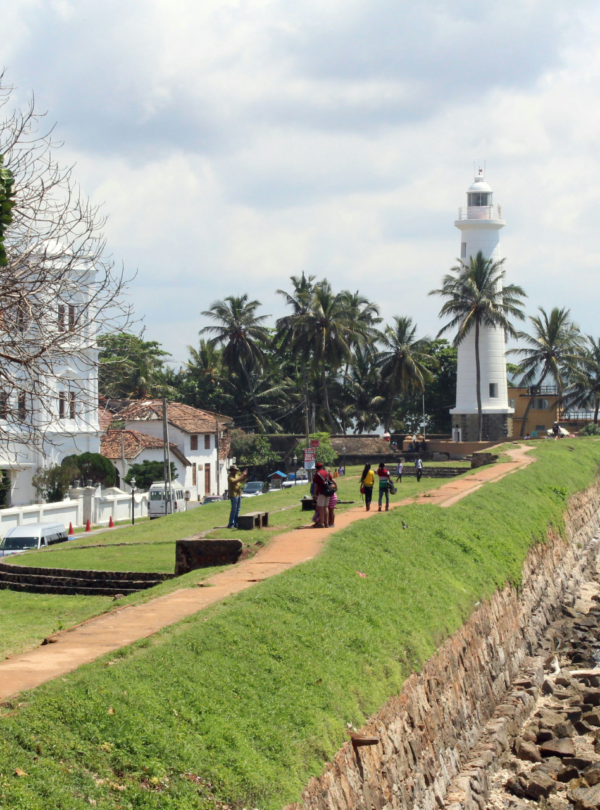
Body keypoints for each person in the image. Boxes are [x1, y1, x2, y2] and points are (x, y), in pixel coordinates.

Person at [313, 462, 334, 528]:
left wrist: (315, 494)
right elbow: (332, 480)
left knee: (321, 508)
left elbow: (316, 485)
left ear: (316, 468)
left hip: (321, 492)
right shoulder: (327, 473)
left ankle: (322, 523)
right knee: (326, 507)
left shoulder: (317, 474)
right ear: (322, 467)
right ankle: (327, 523)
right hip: (327, 492)